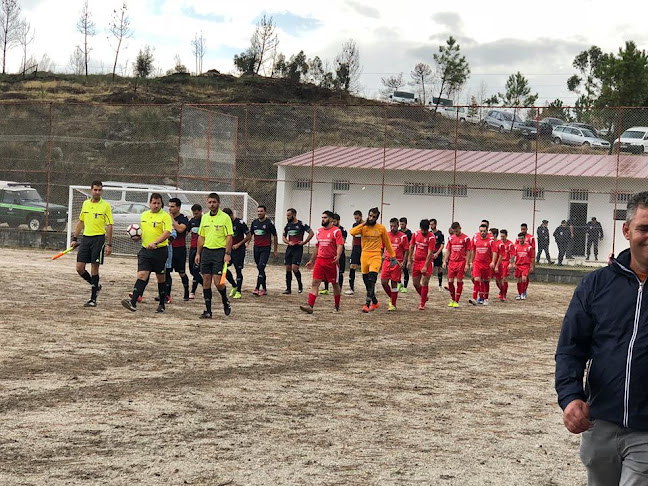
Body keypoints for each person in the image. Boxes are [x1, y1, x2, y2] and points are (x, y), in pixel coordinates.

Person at [555, 192, 648, 484]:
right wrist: (570, 397)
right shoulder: (596, 285)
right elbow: (571, 348)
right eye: (644, 228)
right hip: (599, 424)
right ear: (627, 230)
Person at [121, 193, 172, 313]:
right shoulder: (144, 215)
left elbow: (167, 232)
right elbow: (143, 232)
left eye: (158, 203)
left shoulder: (165, 217)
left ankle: (161, 304)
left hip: (160, 251)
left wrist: (155, 242)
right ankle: (133, 302)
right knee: (142, 275)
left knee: (160, 278)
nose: (156, 205)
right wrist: (137, 238)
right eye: (154, 203)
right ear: (150, 203)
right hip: (145, 251)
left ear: (161, 204)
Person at [70, 180, 113, 307]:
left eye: (100, 190)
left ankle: (93, 299)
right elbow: (81, 222)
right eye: (95, 190)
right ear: (91, 190)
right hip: (86, 239)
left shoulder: (105, 206)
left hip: (98, 239)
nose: (97, 192)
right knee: (79, 267)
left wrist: (109, 244)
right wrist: (74, 238)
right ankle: (96, 285)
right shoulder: (85, 204)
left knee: (95, 267)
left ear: (102, 191)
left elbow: (110, 225)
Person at [349, 207, 397, 313]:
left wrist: (393, 256)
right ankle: (375, 302)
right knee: (366, 281)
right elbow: (352, 232)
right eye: (370, 216)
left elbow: (387, 243)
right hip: (364, 255)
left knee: (372, 279)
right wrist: (363, 224)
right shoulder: (363, 227)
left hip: (375, 256)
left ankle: (367, 303)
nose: (371, 218)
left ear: (377, 218)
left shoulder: (381, 228)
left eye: (374, 217)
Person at [194, 193, 233, 318]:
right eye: (210, 202)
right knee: (206, 281)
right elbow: (201, 236)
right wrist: (198, 253)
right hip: (206, 252)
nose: (212, 204)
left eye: (214, 202)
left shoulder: (225, 217)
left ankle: (225, 300)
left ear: (218, 203)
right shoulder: (204, 217)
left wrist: (227, 254)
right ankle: (208, 310)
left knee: (218, 282)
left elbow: (229, 236)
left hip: (219, 252)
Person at [299, 211, 344, 314]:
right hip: (320, 260)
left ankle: (337, 305)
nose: (322, 219)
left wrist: (338, 255)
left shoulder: (336, 231)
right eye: (322, 217)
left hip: (331, 261)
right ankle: (310, 306)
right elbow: (317, 247)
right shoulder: (319, 231)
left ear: (331, 219)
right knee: (315, 283)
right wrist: (311, 260)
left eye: (325, 217)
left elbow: (339, 245)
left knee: (335, 284)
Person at [241, 205, 278, 296]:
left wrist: (275, 250)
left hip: (265, 248)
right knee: (260, 268)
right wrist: (247, 243)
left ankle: (257, 288)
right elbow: (251, 234)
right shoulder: (254, 222)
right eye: (258, 211)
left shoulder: (269, 223)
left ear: (265, 212)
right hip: (256, 248)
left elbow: (275, 236)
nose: (259, 213)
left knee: (261, 267)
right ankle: (264, 289)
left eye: (261, 211)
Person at [282, 208, 314, 294]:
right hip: (289, 249)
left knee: (294, 268)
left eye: (289, 215)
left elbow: (311, 233)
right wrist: (288, 242)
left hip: (298, 248)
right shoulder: (287, 226)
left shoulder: (301, 224)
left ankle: (300, 285)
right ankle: (288, 288)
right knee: (288, 268)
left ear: (294, 215)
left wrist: (304, 242)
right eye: (287, 215)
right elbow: (283, 237)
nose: (287, 217)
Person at [380, 217, 409, 311]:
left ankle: (393, 304)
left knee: (394, 283)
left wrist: (403, 262)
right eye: (391, 226)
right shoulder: (386, 235)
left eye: (394, 226)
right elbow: (381, 248)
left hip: (396, 262)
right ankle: (392, 297)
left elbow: (406, 250)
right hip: (387, 261)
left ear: (398, 226)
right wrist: (379, 259)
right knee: (383, 282)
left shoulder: (403, 236)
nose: (393, 228)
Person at [408, 219, 436, 311]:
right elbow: (411, 247)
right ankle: (424, 297)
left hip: (426, 261)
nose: (424, 232)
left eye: (426, 230)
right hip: (416, 261)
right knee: (415, 283)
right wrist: (409, 260)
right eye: (422, 230)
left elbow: (430, 253)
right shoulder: (415, 234)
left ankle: (422, 303)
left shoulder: (431, 237)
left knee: (425, 282)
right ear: (420, 228)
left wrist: (425, 266)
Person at [443, 222, 472, 308]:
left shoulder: (466, 238)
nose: (456, 232)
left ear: (460, 228)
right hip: (452, 262)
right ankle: (453, 299)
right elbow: (448, 250)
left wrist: (467, 263)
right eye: (455, 231)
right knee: (450, 282)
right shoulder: (451, 238)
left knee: (459, 281)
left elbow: (468, 251)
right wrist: (445, 261)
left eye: (457, 230)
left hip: (461, 262)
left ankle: (456, 300)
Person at [166, 198, 190, 302]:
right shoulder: (166, 218)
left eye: (172, 206)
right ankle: (167, 295)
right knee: (166, 272)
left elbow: (180, 229)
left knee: (181, 273)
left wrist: (171, 218)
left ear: (178, 207)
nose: (170, 208)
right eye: (169, 206)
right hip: (168, 249)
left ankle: (186, 291)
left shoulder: (184, 218)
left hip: (179, 249)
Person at [224, 208, 249, 299]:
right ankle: (234, 285)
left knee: (238, 270)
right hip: (229, 251)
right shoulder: (225, 224)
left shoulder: (240, 223)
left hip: (239, 250)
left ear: (231, 215)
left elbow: (249, 235)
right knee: (224, 268)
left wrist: (239, 244)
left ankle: (238, 291)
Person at [469, 223, 495, 305]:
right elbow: (472, 251)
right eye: (481, 231)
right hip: (477, 263)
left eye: (484, 231)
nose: (482, 232)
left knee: (485, 281)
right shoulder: (476, 239)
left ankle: (485, 299)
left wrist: (493, 262)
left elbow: (494, 252)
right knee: (476, 280)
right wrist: (471, 262)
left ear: (487, 231)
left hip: (487, 264)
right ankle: (474, 298)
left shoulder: (491, 240)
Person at [322, 213, 347, 294]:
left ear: (338, 221)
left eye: (334, 221)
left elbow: (341, 242)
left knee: (340, 272)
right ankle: (326, 288)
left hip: (340, 253)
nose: (333, 223)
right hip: (330, 253)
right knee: (326, 271)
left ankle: (339, 288)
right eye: (332, 221)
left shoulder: (342, 230)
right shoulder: (328, 229)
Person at [492, 229, 515, 301]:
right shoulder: (498, 243)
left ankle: (504, 294)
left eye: (503, 236)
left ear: (506, 236)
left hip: (505, 262)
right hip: (498, 262)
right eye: (501, 236)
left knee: (504, 279)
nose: (502, 238)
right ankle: (502, 291)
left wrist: (511, 263)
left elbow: (513, 255)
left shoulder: (510, 244)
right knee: (497, 280)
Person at [511, 232, 535, 300]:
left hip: (526, 266)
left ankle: (523, 292)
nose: (520, 240)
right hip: (518, 266)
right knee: (519, 280)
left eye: (522, 238)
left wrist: (532, 266)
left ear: (524, 239)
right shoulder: (516, 247)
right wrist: (512, 263)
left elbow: (532, 257)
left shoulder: (529, 247)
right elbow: (513, 256)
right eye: (519, 238)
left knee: (524, 278)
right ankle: (519, 293)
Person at [345, 210, 363, 295]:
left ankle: (371, 286)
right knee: (352, 267)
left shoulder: (365, 225)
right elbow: (354, 237)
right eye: (355, 218)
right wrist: (353, 248)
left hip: (363, 248)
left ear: (361, 217)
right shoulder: (354, 225)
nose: (356, 219)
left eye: (358, 218)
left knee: (366, 268)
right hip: (356, 248)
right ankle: (351, 288)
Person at [188, 204, 203, 299]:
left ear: (201, 211)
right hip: (192, 248)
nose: (195, 215)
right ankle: (204, 284)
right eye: (194, 213)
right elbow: (186, 231)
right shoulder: (192, 221)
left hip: (201, 249)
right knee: (191, 270)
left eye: (197, 213)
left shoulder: (205, 221)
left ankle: (193, 291)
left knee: (196, 269)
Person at [430, 218, 446, 292]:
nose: (431, 226)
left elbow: (442, 245)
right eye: (430, 224)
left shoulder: (440, 234)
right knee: (429, 267)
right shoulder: (429, 233)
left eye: (432, 224)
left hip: (438, 253)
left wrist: (437, 253)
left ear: (435, 224)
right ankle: (426, 283)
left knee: (439, 268)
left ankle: (440, 285)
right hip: (430, 253)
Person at [398, 217, 413, 292]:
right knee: (397, 269)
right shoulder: (398, 232)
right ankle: (399, 283)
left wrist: (410, 255)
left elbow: (411, 245)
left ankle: (405, 286)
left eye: (402, 224)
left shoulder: (409, 233)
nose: (401, 225)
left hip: (406, 253)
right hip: (399, 253)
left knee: (405, 269)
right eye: (400, 224)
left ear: (406, 224)